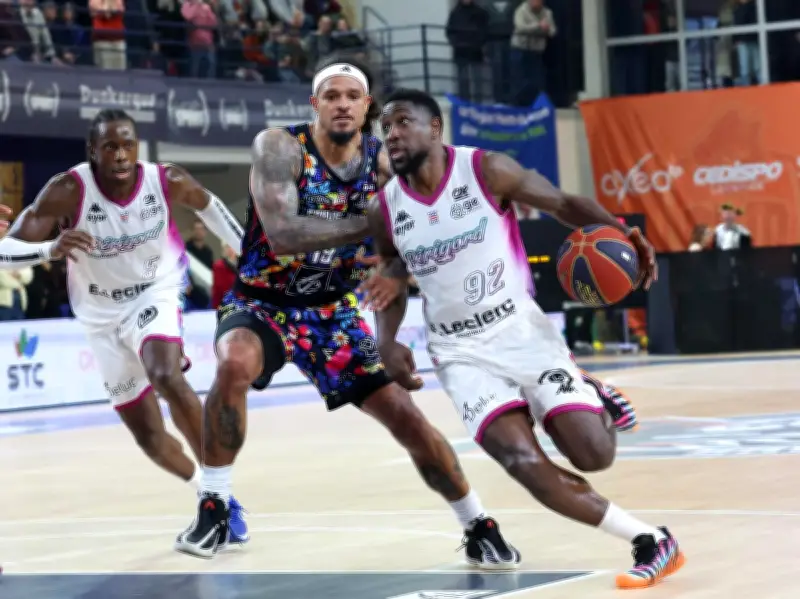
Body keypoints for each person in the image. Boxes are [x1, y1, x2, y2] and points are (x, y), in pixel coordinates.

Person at [175, 57, 521, 569]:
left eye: (352, 96)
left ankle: (478, 523)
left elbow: (401, 252)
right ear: (315, 103)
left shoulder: (384, 163)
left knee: (405, 415)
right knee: (233, 365)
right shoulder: (279, 147)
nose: (342, 104)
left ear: (366, 107)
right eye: (332, 96)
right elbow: (284, 234)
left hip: (333, 312)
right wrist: (379, 222)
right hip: (262, 303)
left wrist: (388, 336)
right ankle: (216, 505)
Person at [359, 88, 685, 590]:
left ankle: (589, 391)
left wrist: (621, 231)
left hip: (521, 331)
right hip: (459, 351)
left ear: (435, 128)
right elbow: (393, 268)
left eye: (402, 122)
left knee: (594, 455)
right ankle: (650, 540)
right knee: (522, 462)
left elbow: (563, 203)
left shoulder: (486, 170)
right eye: (386, 128)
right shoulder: (384, 208)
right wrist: (387, 339)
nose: (392, 135)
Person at [0, 109, 250, 545]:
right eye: (110, 146)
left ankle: (218, 495)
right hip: (100, 316)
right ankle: (209, 493)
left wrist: (251, 254)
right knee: (150, 438)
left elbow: (210, 206)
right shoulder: (67, 190)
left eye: (128, 145)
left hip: (155, 291)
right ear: (92, 151)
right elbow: (5, 253)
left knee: (165, 374)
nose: (120, 155)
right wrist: (49, 249)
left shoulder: (165, 179)